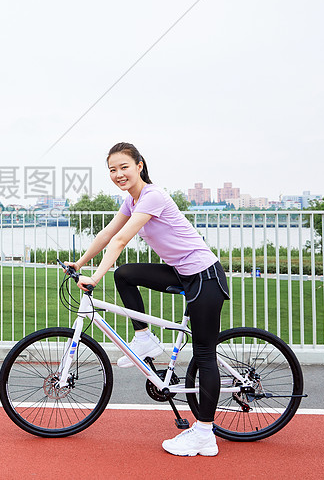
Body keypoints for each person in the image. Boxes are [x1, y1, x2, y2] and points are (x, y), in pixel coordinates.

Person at [64, 142, 230, 457]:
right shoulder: (132, 200)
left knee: (205, 355)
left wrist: (95, 277)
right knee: (125, 274)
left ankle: (205, 435)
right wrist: (80, 263)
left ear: (140, 165)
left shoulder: (152, 196)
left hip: (205, 276)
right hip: (182, 273)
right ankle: (144, 338)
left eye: (123, 166)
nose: (118, 174)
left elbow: (122, 239)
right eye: (112, 169)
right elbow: (107, 234)